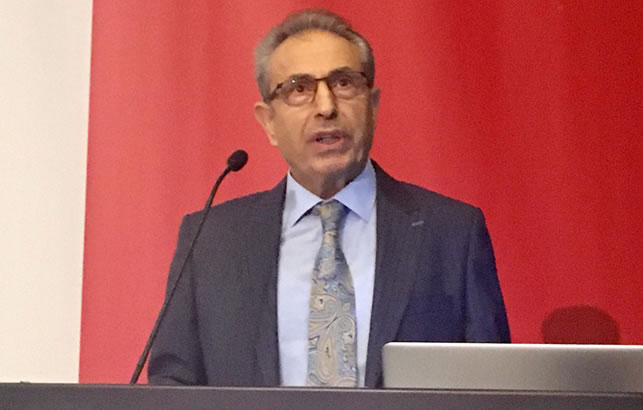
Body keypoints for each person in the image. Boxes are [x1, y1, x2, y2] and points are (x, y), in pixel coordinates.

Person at [148, 9, 510, 388]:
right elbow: (173, 385)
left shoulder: (451, 235)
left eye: (343, 82)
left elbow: (494, 388)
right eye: (299, 88)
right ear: (269, 122)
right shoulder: (210, 240)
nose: (326, 107)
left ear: (373, 106)